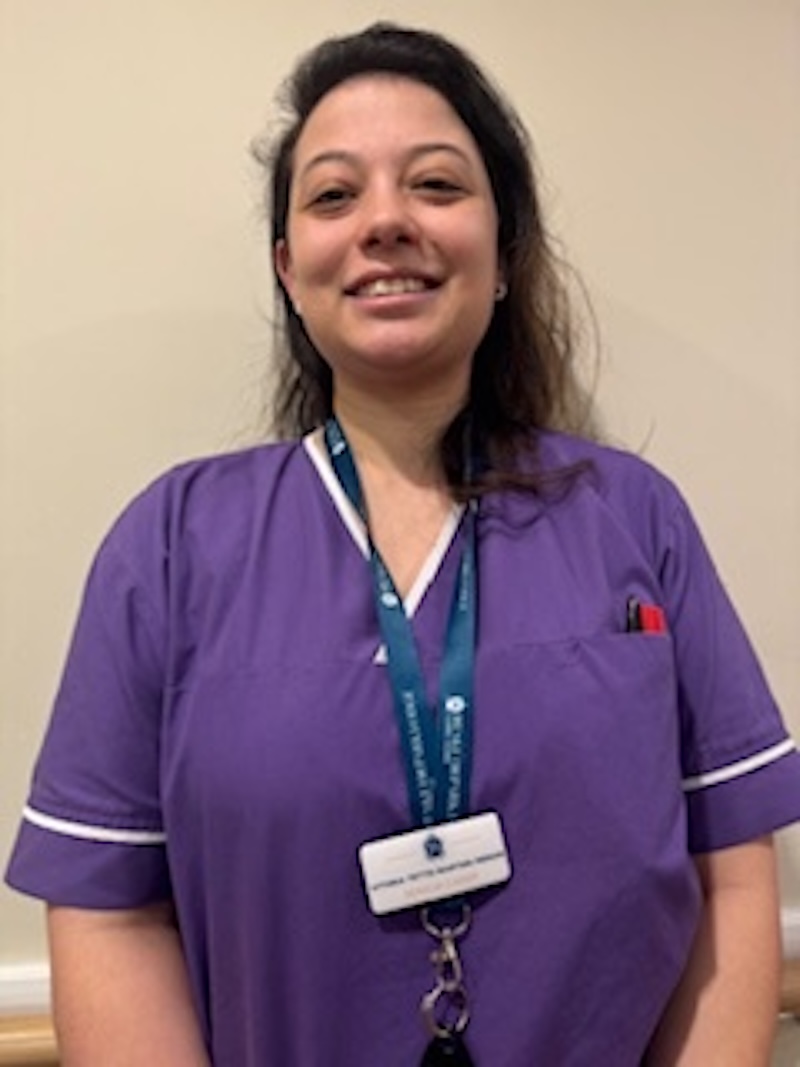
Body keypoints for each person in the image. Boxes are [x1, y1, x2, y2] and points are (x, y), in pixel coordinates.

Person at [5, 21, 800, 1066]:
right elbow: (113, 910)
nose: (384, 221)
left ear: (503, 252)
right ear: (289, 269)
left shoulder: (630, 516)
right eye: (334, 196)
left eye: (434, 185)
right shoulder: (169, 547)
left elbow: (727, 869)